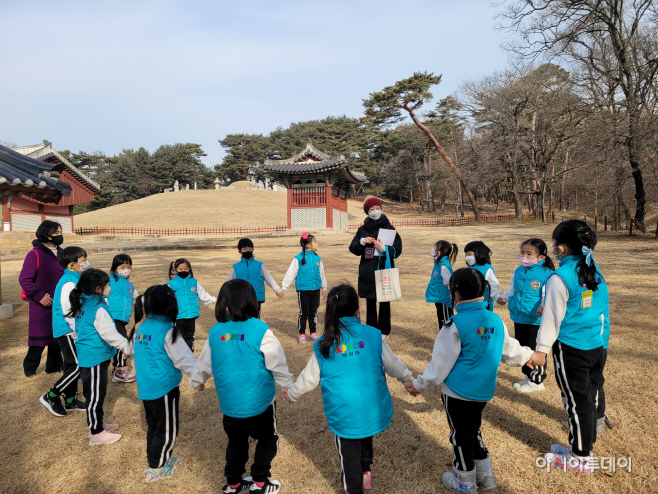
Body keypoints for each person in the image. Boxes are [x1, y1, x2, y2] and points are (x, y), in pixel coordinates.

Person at [406, 268, 534, 493]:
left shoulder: (454, 325)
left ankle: (464, 482)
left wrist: (418, 384)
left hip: (458, 393)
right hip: (483, 391)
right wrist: (529, 356)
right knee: (472, 429)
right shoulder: (494, 320)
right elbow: (511, 350)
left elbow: (439, 365)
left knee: (460, 435)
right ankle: (486, 476)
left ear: (455, 294)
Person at [283, 284, 413, 494]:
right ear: (357, 311)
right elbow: (393, 364)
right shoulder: (373, 335)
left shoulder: (324, 343)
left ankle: (354, 488)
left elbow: (308, 379)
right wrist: (408, 380)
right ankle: (366, 473)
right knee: (365, 431)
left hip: (344, 412)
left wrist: (291, 393)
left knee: (349, 453)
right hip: (371, 408)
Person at [190, 279, 293, 494]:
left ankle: (234, 483)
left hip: (231, 403)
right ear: (251, 302)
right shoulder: (260, 329)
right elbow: (277, 361)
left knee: (236, 442)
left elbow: (204, 362)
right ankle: (260, 482)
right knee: (267, 439)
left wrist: (197, 381)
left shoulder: (216, 331)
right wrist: (286, 386)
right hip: (260, 402)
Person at [527, 220, 610, 473]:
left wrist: (540, 350)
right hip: (598, 345)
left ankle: (580, 458)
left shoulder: (559, 277)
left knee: (577, 402)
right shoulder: (592, 267)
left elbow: (551, 318)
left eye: (553, 244)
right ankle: (581, 443)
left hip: (573, 349)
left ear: (560, 249)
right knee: (589, 396)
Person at [128, 285, 198, 483]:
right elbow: (185, 359)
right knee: (167, 429)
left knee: (154, 426)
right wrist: (197, 379)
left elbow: (130, 349)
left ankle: (155, 459)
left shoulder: (142, 328)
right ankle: (157, 467)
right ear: (171, 307)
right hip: (164, 389)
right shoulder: (168, 331)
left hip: (146, 388)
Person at [67, 268, 132, 445]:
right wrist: (126, 347)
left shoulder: (86, 302)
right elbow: (110, 334)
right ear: (98, 289)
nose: (109, 287)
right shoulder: (97, 308)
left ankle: (97, 423)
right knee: (95, 396)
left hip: (92, 355)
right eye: (107, 284)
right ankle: (96, 433)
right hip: (94, 358)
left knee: (95, 393)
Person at [497, 238, 555, 394]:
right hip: (519, 316)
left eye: (529, 254)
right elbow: (513, 288)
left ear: (541, 257)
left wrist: (544, 306)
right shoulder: (519, 270)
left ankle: (537, 380)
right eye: (522, 253)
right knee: (524, 347)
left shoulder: (547, 273)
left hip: (534, 319)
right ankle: (529, 376)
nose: (524, 256)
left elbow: (548, 293)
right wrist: (505, 297)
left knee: (535, 349)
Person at [39, 246, 89, 417]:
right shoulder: (69, 283)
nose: (86, 263)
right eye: (83, 261)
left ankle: (70, 399)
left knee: (69, 365)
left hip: (71, 329)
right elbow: (68, 311)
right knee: (78, 366)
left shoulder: (75, 279)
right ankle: (51, 395)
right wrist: (77, 332)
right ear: (71, 264)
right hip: (67, 329)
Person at [348, 197, 402, 337]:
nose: (375, 211)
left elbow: (398, 249)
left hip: (383, 269)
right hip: (367, 271)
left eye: (377, 208)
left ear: (381, 208)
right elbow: (353, 249)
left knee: (385, 301)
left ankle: (384, 331)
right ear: (367, 212)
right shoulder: (362, 230)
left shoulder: (389, 228)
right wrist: (362, 242)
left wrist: (384, 248)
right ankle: (371, 330)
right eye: (372, 209)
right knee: (370, 302)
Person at [19, 220, 65, 376]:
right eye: (56, 233)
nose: (60, 235)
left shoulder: (63, 253)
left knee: (58, 336)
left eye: (60, 232)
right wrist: (40, 297)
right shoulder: (35, 254)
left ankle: (54, 366)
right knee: (38, 340)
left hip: (60, 303)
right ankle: (30, 367)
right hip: (42, 304)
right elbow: (24, 279)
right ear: (46, 234)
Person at [279, 232, 327, 344]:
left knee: (313, 312)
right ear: (308, 245)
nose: (316, 244)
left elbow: (322, 274)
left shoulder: (317, 258)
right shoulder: (298, 258)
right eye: (314, 242)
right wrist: (284, 287)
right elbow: (290, 274)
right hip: (303, 290)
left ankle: (313, 333)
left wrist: (324, 288)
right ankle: (301, 334)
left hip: (315, 289)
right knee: (304, 313)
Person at [167, 258, 217, 351]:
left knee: (190, 338)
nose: (183, 271)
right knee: (178, 338)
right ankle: (179, 359)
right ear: (175, 270)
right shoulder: (171, 284)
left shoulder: (194, 282)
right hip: (178, 317)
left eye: (185, 269)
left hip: (191, 316)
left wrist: (214, 300)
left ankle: (190, 356)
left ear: (189, 269)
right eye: (180, 269)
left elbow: (203, 294)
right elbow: (165, 300)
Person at [228, 238, 282, 318]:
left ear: (253, 249)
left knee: (255, 318)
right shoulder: (236, 267)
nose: (247, 251)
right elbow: (229, 283)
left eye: (250, 249)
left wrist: (277, 290)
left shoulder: (259, 265)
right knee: (242, 318)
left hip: (256, 296)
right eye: (245, 249)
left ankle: (255, 330)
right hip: (241, 297)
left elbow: (269, 279)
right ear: (240, 251)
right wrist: (225, 296)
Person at [108, 254, 139, 383]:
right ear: (115, 268)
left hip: (122, 318)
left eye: (128, 266)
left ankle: (116, 367)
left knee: (116, 344)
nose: (125, 269)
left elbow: (136, 299)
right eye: (122, 266)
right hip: (112, 316)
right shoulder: (110, 280)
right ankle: (120, 371)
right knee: (123, 343)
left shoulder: (129, 283)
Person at [425, 240, 458, 329]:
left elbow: (449, 282)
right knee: (441, 320)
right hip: (439, 298)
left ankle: (449, 341)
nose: (433, 250)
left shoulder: (443, 266)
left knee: (447, 322)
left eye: (434, 248)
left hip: (444, 299)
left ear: (439, 252)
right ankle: (442, 340)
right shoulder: (438, 264)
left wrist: (452, 297)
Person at [463, 241, 500, 311]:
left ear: (479, 253)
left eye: (470, 255)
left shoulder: (486, 269)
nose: (467, 257)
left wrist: (496, 297)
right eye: (466, 255)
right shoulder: (468, 269)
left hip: (483, 305)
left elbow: (493, 285)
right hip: (468, 305)